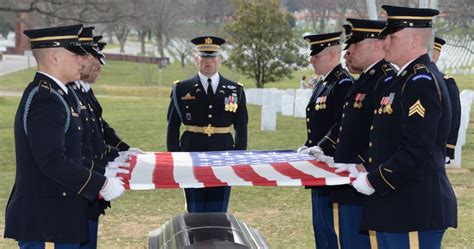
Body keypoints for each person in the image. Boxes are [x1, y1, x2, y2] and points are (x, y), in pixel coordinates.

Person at [340, 5, 457, 248]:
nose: (384, 42)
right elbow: (386, 139)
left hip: (413, 207)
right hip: (395, 205)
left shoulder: (420, 81)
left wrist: (374, 180)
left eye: (391, 36)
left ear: (414, 39)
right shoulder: (399, 81)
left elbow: (417, 149)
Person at [4, 24, 125, 249]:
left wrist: (107, 167)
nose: (82, 61)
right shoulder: (46, 99)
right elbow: (52, 161)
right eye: (75, 54)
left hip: (58, 215)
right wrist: (101, 183)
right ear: (54, 57)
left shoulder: (61, 94)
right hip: (47, 220)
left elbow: (76, 152)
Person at [328, 18, 397, 249]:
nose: (349, 50)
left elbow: (385, 132)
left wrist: (361, 163)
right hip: (350, 178)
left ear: (376, 45)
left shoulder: (385, 79)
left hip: (366, 175)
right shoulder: (366, 78)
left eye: (356, 44)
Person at [166, 36, 248, 213]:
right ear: (197, 60)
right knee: (194, 208)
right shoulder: (182, 89)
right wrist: (174, 158)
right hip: (191, 152)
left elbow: (241, 126)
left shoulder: (235, 90)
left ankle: (218, 240)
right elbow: (172, 126)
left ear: (219, 59)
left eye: (212, 57)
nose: (208, 62)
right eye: (204, 57)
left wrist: (239, 157)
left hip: (223, 153)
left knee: (219, 209)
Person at [66, 27, 129, 249]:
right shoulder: (65, 94)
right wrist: (101, 172)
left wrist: (122, 150)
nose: (96, 66)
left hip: (88, 184)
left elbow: (100, 129)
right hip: (79, 188)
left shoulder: (82, 92)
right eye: (91, 57)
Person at [299, 31, 353, 248]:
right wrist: (309, 145)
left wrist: (322, 146)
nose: (311, 60)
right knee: (321, 228)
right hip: (319, 166)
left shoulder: (342, 83)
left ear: (332, 55)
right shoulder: (323, 83)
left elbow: (342, 123)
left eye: (316, 55)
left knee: (333, 231)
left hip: (333, 166)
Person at [432, 36, 461, 164]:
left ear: (436, 55)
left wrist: (448, 148)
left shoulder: (447, 82)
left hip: (436, 146)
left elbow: (454, 116)